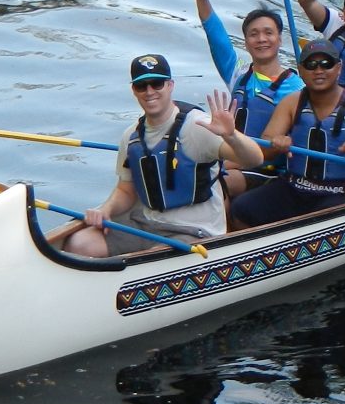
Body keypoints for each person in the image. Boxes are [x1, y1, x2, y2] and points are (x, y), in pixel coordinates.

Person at [64, 54, 264, 258]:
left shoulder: (198, 127)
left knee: (152, 259)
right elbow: (126, 190)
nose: (150, 92)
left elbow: (255, 159)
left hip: (194, 232)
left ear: (170, 85)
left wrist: (231, 136)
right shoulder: (130, 137)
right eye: (142, 86)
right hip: (145, 224)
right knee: (79, 244)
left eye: (157, 84)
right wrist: (107, 208)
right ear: (134, 90)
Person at [230, 39, 345, 229]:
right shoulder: (291, 103)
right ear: (301, 71)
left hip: (339, 193)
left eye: (326, 64)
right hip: (295, 187)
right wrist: (276, 143)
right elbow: (264, 147)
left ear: (338, 68)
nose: (319, 70)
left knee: (321, 222)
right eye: (311, 65)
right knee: (241, 209)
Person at [190, 0, 305, 196]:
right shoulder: (238, 73)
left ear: (279, 39)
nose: (261, 39)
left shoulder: (296, 88)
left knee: (219, 182)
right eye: (254, 34)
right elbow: (215, 35)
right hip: (230, 160)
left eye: (268, 33)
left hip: (266, 170)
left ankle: (220, 230)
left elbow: (279, 147)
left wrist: (230, 162)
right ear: (246, 41)